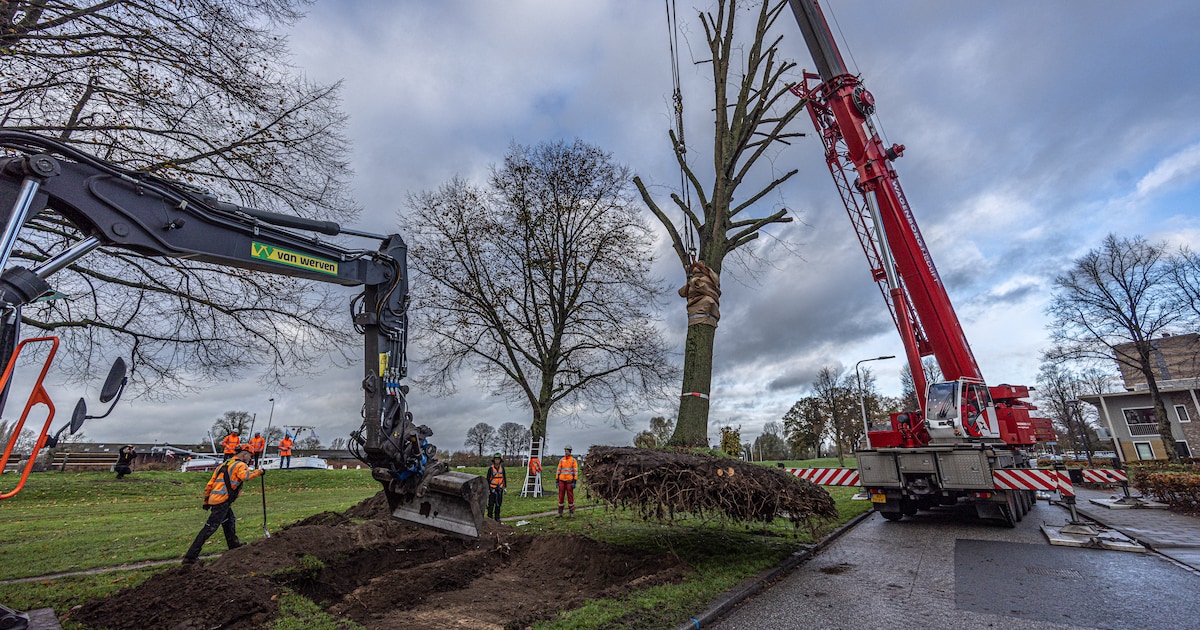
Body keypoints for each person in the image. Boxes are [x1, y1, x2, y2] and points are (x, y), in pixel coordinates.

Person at [183, 447, 264, 564]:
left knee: (229, 521)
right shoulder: (240, 465)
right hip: (222, 501)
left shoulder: (223, 465)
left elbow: (210, 484)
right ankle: (190, 557)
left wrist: (206, 501)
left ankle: (233, 545)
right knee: (209, 528)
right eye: (250, 455)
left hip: (216, 500)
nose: (250, 458)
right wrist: (259, 472)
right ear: (244, 454)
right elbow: (245, 476)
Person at [556, 445, 578, 518]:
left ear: (570, 451)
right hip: (562, 480)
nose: (566, 452)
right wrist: (557, 480)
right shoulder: (562, 460)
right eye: (565, 451)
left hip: (569, 481)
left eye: (567, 451)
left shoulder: (573, 460)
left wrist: (574, 481)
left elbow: (575, 471)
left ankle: (572, 513)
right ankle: (560, 513)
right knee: (561, 497)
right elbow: (558, 470)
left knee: (570, 497)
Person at [486, 453, 506, 522]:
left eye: (498, 459)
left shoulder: (502, 468)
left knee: (498, 505)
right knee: (491, 505)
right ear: (494, 460)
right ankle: (490, 519)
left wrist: (504, 487)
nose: (497, 461)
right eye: (496, 459)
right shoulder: (490, 469)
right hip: (492, 490)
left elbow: (504, 478)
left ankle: (497, 518)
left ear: (500, 460)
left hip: (499, 490)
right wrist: (488, 490)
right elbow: (488, 480)